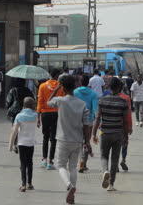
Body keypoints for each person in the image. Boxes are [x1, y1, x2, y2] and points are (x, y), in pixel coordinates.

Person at [47, 75, 91, 204]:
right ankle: (72, 196)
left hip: (62, 139)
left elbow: (48, 102)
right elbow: (86, 125)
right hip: (77, 140)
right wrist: (87, 142)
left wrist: (57, 89)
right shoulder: (82, 104)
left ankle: (69, 186)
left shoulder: (60, 101)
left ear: (63, 88)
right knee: (73, 167)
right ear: (75, 86)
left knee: (60, 165)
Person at [92, 77, 129, 191]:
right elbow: (125, 122)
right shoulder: (123, 102)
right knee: (115, 158)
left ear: (109, 87)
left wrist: (93, 133)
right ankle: (111, 184)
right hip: (117, 133)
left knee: (104, 156)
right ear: (119, 88)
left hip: (104, 133)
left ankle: (105, 171)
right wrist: (126, 136)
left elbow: (98, 118)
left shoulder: (102, 100)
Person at [37, 68, 65, 170]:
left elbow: (40, 101)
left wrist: (38, 117)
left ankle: (44, 159)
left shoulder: (42, 86)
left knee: (45, 137)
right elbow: (63, 101)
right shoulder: (61, 87)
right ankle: (50, 162)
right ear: (58, 76)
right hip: (56, 114)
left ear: (50, 75)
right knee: (54, 139)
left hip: (44, 114)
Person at [9, 97, 37, 192]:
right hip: (31, 143)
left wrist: (11, 145)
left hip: (21, 143)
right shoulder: (35, 115)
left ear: (23, 105)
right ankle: (30, 183)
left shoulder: (19, 116)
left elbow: (14, 131)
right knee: (30, 163)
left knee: (23, 164)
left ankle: (23, 184)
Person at [74, 74, 98, 173]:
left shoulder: (75, 92)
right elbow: (95, 109)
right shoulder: (93, 94)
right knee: (86, 141)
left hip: (77, 120)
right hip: (89, 121)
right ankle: (83, 161)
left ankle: (81, 161)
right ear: (88, 83)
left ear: (80, 82)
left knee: (80, 142)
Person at [6, 78, 34, 153]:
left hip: (15, 112)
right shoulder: (27, 90)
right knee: (24, 129)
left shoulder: (13, 90)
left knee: (15, 129)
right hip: (25, 112)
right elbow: (32, 99)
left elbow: (8, 101)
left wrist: (9, 107)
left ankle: (15, 145)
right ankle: (22, 144)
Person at [118, 81, 132, 172]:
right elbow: (128, 113)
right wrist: (130, 126)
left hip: (113, 125)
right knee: (124, 144)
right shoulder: (126, 98)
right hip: (124, 125)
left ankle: (115, 164)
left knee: (115, 146)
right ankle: (123, 159)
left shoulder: (110, 97)